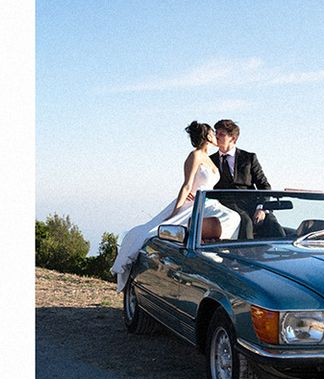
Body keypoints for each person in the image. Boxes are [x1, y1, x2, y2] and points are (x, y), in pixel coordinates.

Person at [110, 120, 241, 290]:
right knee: (229, 218)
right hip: (193, 202)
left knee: (233, 217)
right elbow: (187, 185)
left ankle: (217, 252)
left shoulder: (210, 159)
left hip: (208, 201)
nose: (216, 135)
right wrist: (177, 211)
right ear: (207, 136)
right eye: (213, 132)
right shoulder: (194, 156)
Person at [210, 119, 271, 190]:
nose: (216, 137)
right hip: (218, 200)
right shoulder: (209, 160)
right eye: (216, 133)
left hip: (246, 200)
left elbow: (264, 185)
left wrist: (260, 201)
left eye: (221, 134)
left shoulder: (248, 158)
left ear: (233, 138)